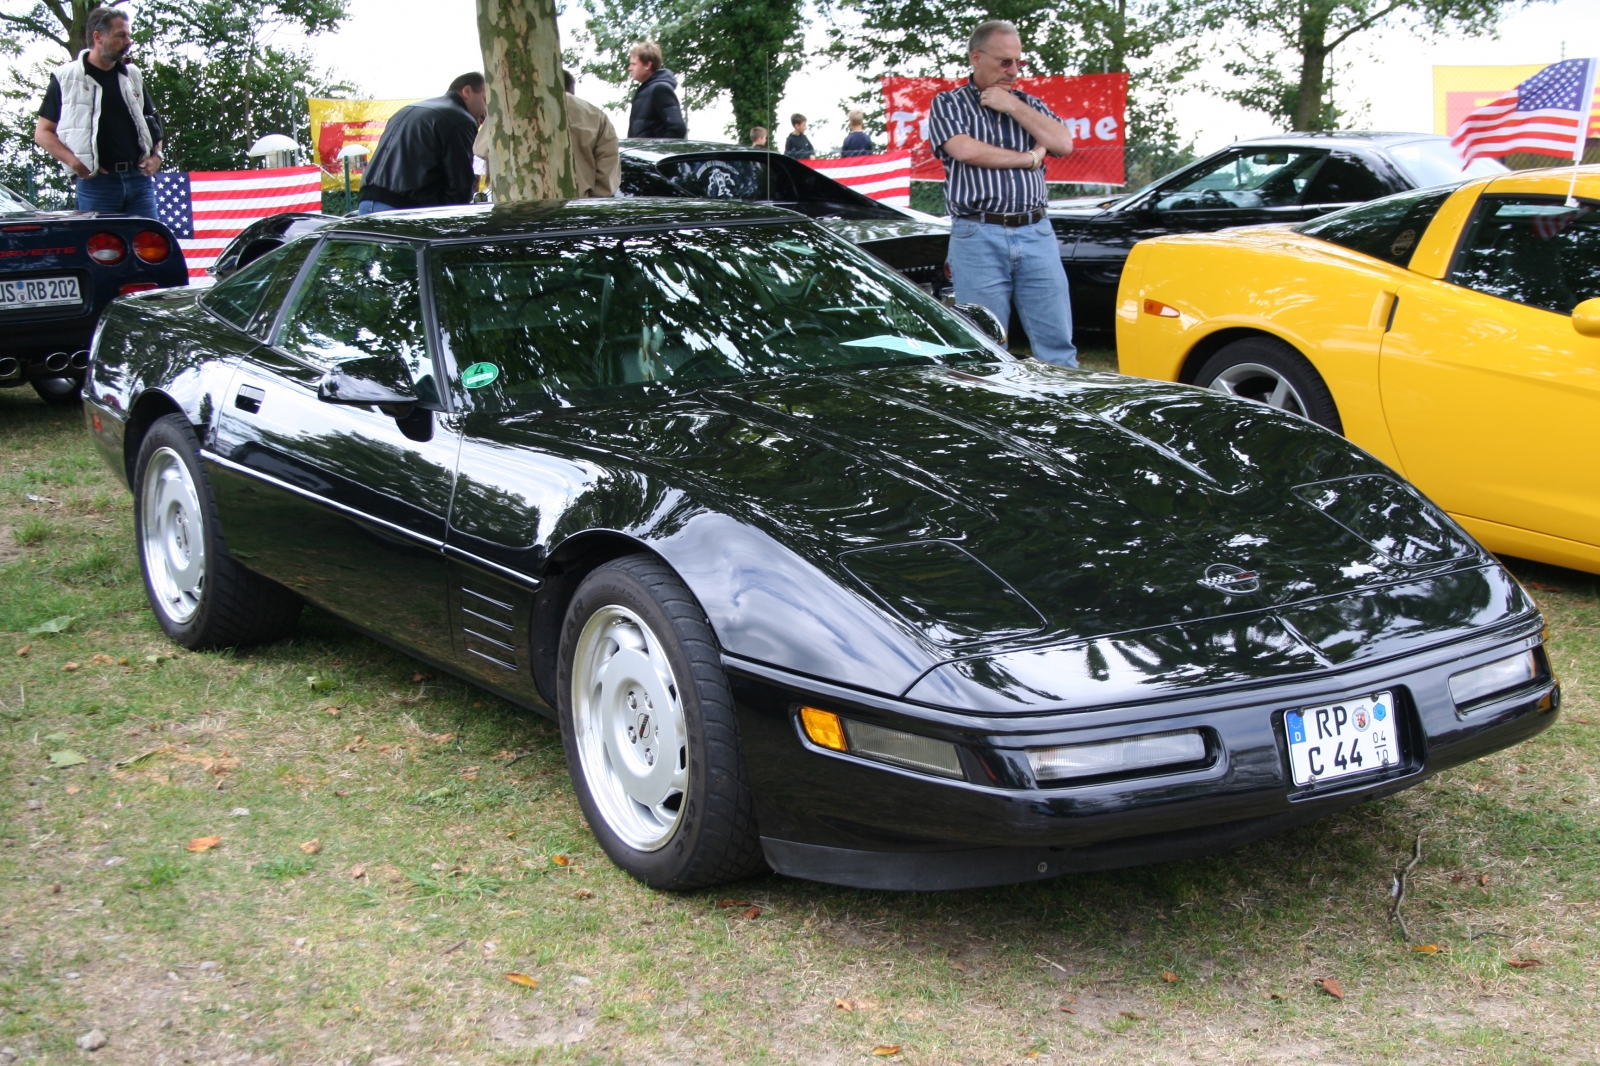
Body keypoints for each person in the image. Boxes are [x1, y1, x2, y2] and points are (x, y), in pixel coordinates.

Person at [929, 19, 1077, 367]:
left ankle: (1065, 418)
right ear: (976, 57)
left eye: (1019, 62)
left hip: (1036, 231)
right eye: (1004, 62)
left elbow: (1063, 143)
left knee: (1057, 344)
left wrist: (1012, 106)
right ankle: (994, 419)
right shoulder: (948, 104)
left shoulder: (1028, 104)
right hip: (978, 233)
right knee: (985, 348)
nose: (1013, 71)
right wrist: (1030, 158)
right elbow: (965, 150)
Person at [33, 7, 164, 217]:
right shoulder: (65, 77)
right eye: (121, 35)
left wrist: (157, 155)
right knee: (103, 250)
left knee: (150, 247)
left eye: (129, 35)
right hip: (96, 184)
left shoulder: (133, 74)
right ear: (98, 37)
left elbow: (153, 122)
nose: (128, 41)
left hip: (139, 181)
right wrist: (76, 163)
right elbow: (42, 133)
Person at [476, 70, 619, 197]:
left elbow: (481, 149)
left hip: (516, 210)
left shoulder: (506, 107)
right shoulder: (595, 116)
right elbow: (606, 178)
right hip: (575, 213)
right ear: (570, 90)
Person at [358, 73, 487, 214]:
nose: (487, 112)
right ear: (467, 91)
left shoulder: (406, 111)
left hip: (366, 202)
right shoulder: (461, 120)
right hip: (405, 210)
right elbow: (460, 186)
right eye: (485, 100)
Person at [626, 42, 687, 139]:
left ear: (647, 65)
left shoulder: (660, 89)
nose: (630, 68)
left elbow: (677, 128)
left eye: (634, 64)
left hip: (652, 153)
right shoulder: (644, 91)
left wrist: (658, 151)